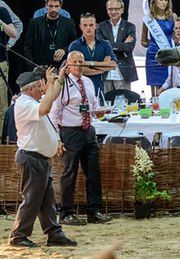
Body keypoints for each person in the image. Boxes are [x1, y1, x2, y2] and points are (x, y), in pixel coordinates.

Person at [9, 66, 77, 247]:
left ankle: (54, 233)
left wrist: (60, 78)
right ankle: (18, 236)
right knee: (31, 199)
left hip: (39, 159)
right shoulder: (24, 104)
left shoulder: (31, 101)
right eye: (40, 87)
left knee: (47, 200)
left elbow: (51, 97)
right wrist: (52, 83)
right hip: (31, 158)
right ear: (31, 89)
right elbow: (47, 107)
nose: (43, 90)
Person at [50, 51, 112, 225]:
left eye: (81, 62)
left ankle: (94, 211)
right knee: (69, 173)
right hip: (70, 132)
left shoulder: (88, 82)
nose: (78, 65)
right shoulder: (62, 83)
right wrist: (57, 138)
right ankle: (66, 213)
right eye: (74, 62)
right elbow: (55, 112)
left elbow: (92, 106)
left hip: (88, 130)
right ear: (67, 65)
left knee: (93, 172)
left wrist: (98, 112)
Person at [68, 13, 117, 97]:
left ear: (96, 26)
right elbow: (77, 69)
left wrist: (88, 63)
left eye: (91, 25)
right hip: (79, 88)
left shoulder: (105, 44)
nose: (88, 28)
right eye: (85, 25)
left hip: (99, 87)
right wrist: (101, 69)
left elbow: (113, 65)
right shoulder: (75, 46)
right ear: (80, 27)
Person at [24, 0, 77, 70]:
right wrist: (32, 67)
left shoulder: (68, 23)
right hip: (39, 67)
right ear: (46, 5)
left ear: (60, 6)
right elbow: (28, 47)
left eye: (56, 6)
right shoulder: (35, 23)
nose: (53, 9)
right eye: (51, 6)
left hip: (62, 67)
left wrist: (64, 50)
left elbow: (74, 43)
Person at [98, 0, 138, 93]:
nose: (113, 12)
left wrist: (109, 44)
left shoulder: (130, 26)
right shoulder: (101, 27)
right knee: (106, 103)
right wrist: (121, 45)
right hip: (106, 71)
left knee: (124, 103)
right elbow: (101, 47)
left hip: (123, 71)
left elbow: (129, 47)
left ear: (122, 10)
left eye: (116, 9)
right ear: (107, 11)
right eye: (110, 9)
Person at [141, 0, 176, 97]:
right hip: (153, 56)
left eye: (166, 0)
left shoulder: (173, 16)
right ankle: (155, 106)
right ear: (154, 2)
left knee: (169, 82)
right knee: (154, 87)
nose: (163, 3)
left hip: (168, 53)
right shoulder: (149, 18)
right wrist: (154, 44)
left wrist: (171, 42)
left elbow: (176, 36)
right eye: (160, 0)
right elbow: (143, 41)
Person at [0, 6, 16, 144]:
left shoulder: (2, 11)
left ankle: (0, 142)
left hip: (0, 63)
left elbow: (13, 33)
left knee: (1, 105)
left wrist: (1, 23)